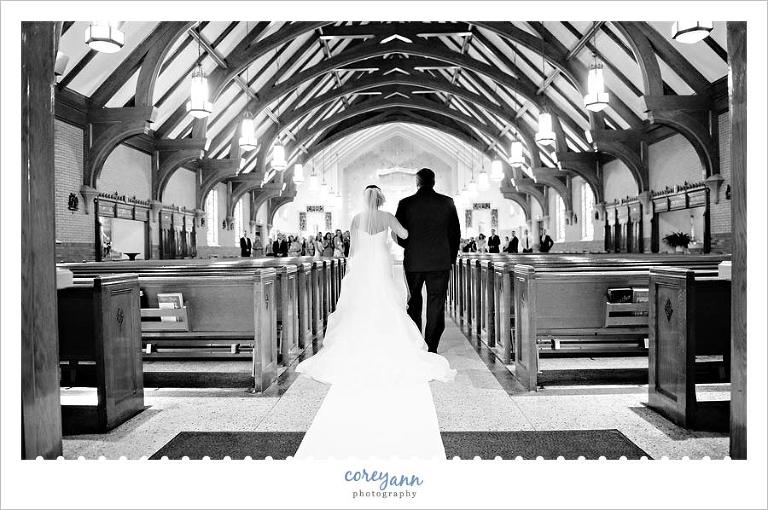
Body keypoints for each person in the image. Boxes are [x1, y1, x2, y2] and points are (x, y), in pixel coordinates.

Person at [294, 184, 456, 460]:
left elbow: (353, 249)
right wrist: (395, 232)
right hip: (380, 262)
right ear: (380, 199)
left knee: (361, 304)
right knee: (385, 301)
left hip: (363, 265)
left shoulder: (357, 218)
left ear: (364, 199)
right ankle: (388, 339)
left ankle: (359, 340)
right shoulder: (386, 217)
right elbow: (404, 234)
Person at [395, 167, 462, 353]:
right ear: (434, 182)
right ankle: (431, 346)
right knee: (436, 303)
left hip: (414, 262)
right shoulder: (447, 202)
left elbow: (399, 234)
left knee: (414, 302)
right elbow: (455, 234)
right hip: (440, 262)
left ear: (417, 182)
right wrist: (451, 258)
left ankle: (417, 342)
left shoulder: (406, 203)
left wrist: (409, 247)